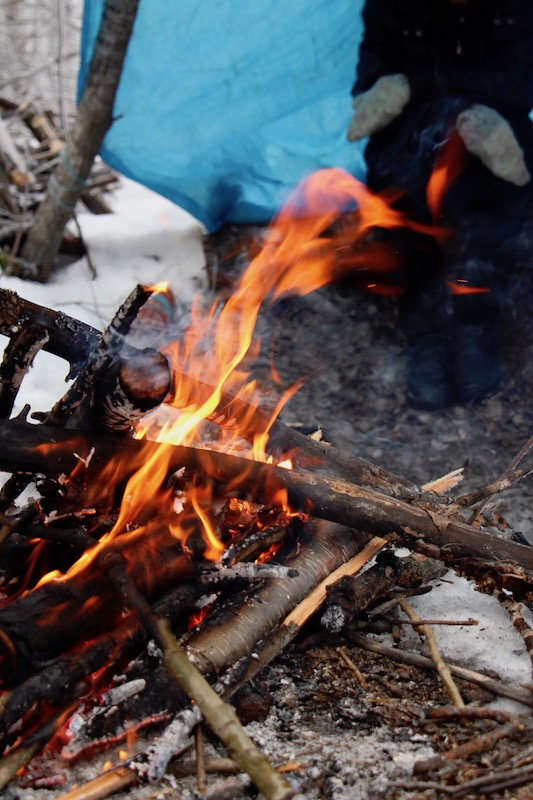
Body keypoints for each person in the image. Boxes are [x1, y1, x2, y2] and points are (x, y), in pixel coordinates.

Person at [347, 0, 533, 410]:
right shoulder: (389, 5)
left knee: (494, 218)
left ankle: (474, 326)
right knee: (401, 196)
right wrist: (390, 89)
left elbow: (520, 84)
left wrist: (426, 87)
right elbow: (368, 78)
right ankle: (424, 333)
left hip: (491, 129)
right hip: (413, 138)